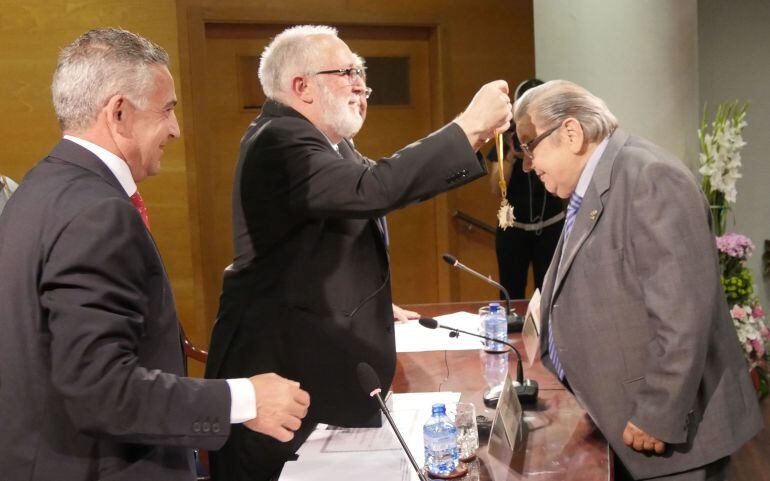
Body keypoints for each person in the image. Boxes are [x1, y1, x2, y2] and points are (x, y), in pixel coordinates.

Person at [204, 24, 512, 481]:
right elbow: (373, 190)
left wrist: (367, 307)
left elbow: (347, 215)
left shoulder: (329, 144)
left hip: (315, 362)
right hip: (280, 373)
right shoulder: (278, 140)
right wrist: (465, 127)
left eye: (361, 72)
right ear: (301, 86)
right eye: (347, 72)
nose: (362, 86)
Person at [0, 28, 309, 481]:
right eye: (167, 110)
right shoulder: (98, 214)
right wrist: (243, 401)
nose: (175, 129)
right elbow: (99, 389)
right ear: (119, 112)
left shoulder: (36, 190)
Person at [515, 80, 761, 480]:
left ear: (571, 133)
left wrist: (657, 414)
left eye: (530, 147)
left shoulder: (651, 177)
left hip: (668, 439)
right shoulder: (594, 184)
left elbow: (684, 316)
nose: (528, 164)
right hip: (620, 423)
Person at [486, 78, 564, 299]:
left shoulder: (554, 137)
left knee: (551, 293)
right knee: (511, 294)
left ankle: (550, 334)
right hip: (513, 228)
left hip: (550, 225)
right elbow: (495, 187)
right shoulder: (505, 138)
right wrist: (511, 154)